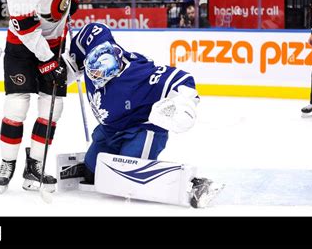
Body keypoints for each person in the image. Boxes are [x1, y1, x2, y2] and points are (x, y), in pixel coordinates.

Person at [63, 22, 222, 208]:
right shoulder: (98, 42)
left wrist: (184, 104)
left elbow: (181, 79)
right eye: (92, 74)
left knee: (129, 179)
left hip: (141, 130)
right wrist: (67, 67)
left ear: (114, 72)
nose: (95, 80)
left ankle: (193, 185)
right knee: (90, 173)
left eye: (100, 75)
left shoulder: (139, 76)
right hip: (110, 130)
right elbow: (87, 33)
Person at [0, 0, 82, 193]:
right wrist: (47, 61)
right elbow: (29, 33)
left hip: (55, 41)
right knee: (17, 105)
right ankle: (7, 163)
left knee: (52, 108)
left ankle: (35, 164)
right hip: (22, 45)